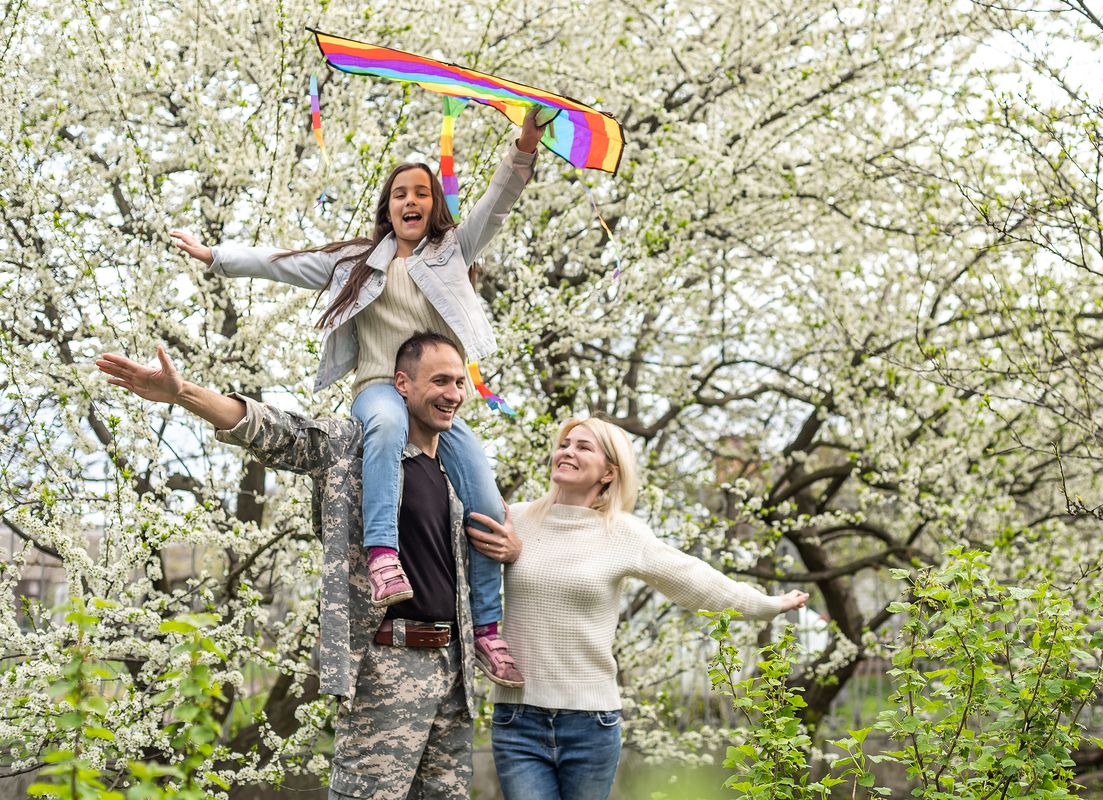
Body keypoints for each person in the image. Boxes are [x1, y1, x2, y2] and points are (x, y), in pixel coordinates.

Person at [168, 111, 548, 687]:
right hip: (379, 388)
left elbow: (498, 202)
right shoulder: (358, 263)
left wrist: (526, 142)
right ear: (388, 207)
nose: (410, 200)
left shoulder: (452, 252)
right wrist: (215, 256)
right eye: (400, 193)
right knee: (387, 430)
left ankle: (488, 630)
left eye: (421, 192)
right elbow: (284, 263)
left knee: (486, 500)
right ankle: (381, 555)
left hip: (435, 400)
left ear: (434, 205)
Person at [96, 332, 526, 800]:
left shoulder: (460, 471)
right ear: (401, 383)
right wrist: (184, 393)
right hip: (387, 668)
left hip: (455, 670)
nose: (454, 394)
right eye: (440, 381)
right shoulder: (356, 449)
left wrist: (512, 547)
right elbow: (280, 431)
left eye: (460, 383)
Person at [467, 417, 810, 800]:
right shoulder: (518, 520)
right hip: (518, 719)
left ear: (609, 472)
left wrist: (768, 605)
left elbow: (695, 580)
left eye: (583, 447)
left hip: (590, 724)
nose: (567, 451)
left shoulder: (624, 533)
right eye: (565, 443)